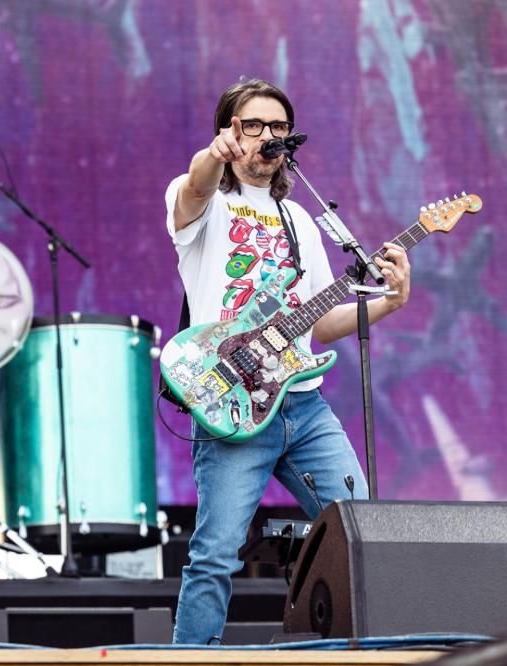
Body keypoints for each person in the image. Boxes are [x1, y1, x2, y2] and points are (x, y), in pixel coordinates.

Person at [164, 78, 411, 644]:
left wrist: (390, 302)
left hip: (303, 406)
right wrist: (213, 156)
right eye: (252, 125)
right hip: (233, 404)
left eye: (278, 126)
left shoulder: (300, 218)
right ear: (229, 131)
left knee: (365, 532)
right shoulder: (205, 198)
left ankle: (376, 650)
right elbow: (195, 187)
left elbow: (320, 322)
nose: (266, 136)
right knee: (215, 555)